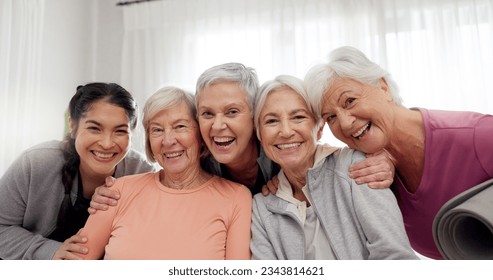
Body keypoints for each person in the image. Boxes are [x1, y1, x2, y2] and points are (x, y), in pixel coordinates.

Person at [88, 63, 395, 212]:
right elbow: (164, 182)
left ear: (255, 116)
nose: (218, 126)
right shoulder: (202, 163)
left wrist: (384, 156)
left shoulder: (281, 150)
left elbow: (318, 149)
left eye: (232, 112)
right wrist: (114, 195)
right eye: (207, 114)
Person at [304, 46, 493, 259]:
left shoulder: (477, 136)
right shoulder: (369, 171)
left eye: (350, 101)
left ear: (383, 87)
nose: (346, 124)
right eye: (331, 118)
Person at [250, 75, 417, 260]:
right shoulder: (261, 207)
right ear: (260, 134)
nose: (286, 131)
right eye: (271, 121)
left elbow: (395, 256)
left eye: (298, 117)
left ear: (319, 128)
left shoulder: (356, 167)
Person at [74, 87, 252, 260]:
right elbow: (74, 266)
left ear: (202, 135)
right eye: (157, 130)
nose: (168, 141)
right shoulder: (116, 192)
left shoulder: (236, 198)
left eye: (180, 126)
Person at [0, 83, 157, 260]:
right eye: (94, 128)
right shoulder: (35, 163)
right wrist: (49, 251)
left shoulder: (142, 172)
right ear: (73, 126)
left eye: (120, 131)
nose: (107, 143)